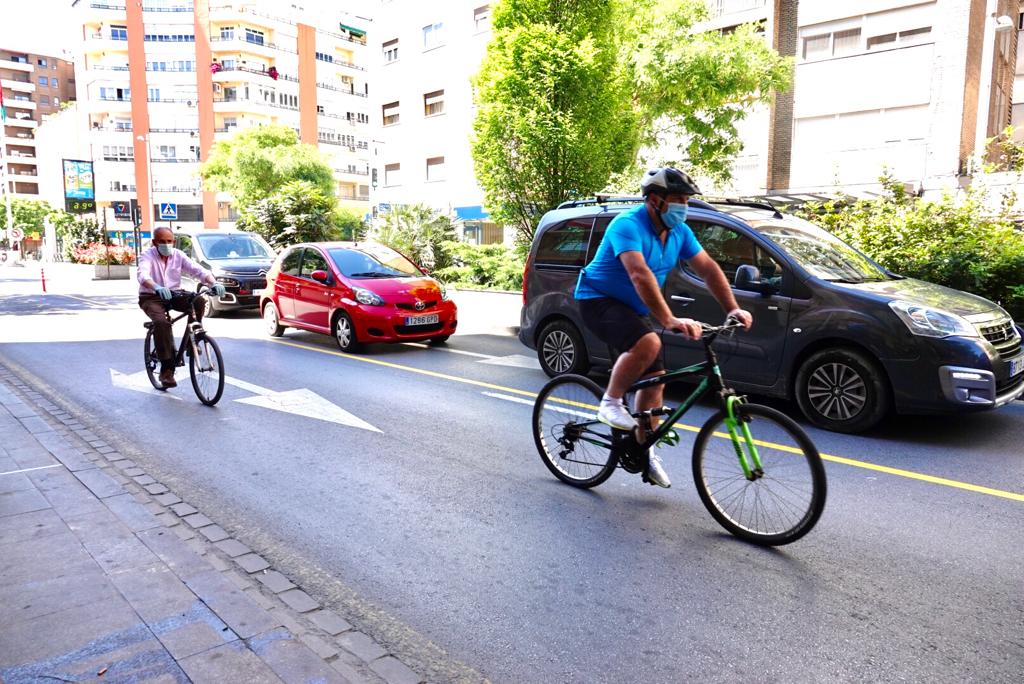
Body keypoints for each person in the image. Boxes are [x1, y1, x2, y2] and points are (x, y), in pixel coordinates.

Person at [574, 167, 753, 488]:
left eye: (686, 199)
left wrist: (733, 308)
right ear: (655, 201)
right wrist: (669, 319)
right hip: (597, 299)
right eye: (679, 199)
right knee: (649, 344)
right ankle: (611, 402)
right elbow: (639, 274)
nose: (684, 205)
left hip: (634, 308)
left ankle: (645, 453)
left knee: (655, 380)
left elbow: (709, 269)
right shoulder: (626, 225)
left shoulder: (680, 232)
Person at [138, 227, 226, 388]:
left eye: (169, 241)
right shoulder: (147, 255)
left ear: (174, 241)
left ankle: (191, 343)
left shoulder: (178, 255)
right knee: (162, 323)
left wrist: (214, 283)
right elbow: (143, 275)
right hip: (151, 296)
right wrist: (156, 287)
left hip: (174, 294)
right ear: (154, 242)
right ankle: (166, 371)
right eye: (162, 241)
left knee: (198, 301)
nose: (166, 244)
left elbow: (197, 270)